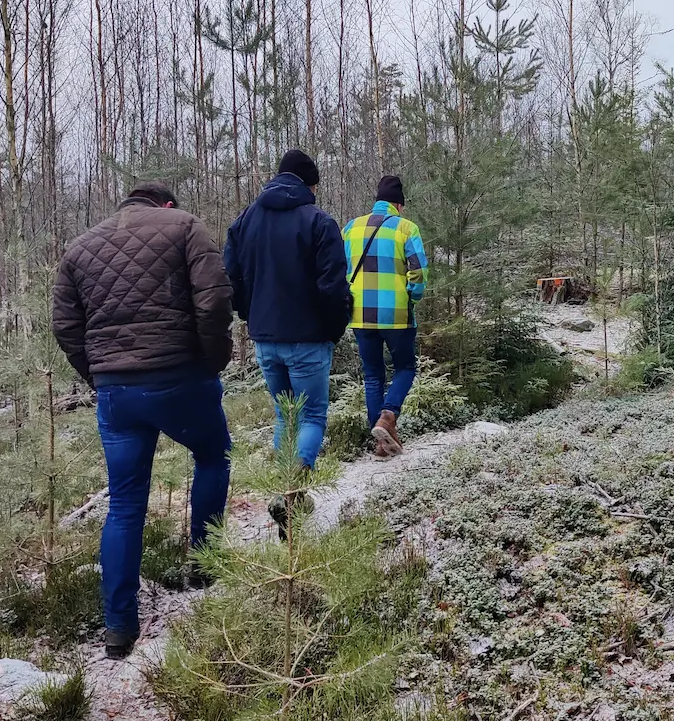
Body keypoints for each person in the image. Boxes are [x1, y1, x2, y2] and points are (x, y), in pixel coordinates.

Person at [52, 181, 233, 660]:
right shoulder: (186, 227)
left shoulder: (80, 247)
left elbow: (66, 326)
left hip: (117, 392)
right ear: (167, 204)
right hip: (180, 377)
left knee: (125, 504)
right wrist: (212, 361)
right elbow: (214, 300)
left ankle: (118, 627)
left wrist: (97, 374)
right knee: (214, 456)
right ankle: (204, 563)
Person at [224, 149, 350, 538]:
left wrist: (251, 316)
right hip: (308, 338)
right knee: (311, 417)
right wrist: (334, 328)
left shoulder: (244, 221)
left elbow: (232, 278)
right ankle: (292, 495)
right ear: (309, 183)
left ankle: (284, 493)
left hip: (265, 338)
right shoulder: (318, 222)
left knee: (285, 416)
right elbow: (332, 287)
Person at [342, 175, 427, 457]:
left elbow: (339, 268)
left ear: (377, 201)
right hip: (396, 314)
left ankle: (381, 444)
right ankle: (388, 416)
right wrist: (413, 296)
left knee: (372, 376)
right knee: (405, 367)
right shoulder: (406, 228)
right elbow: (419, 271)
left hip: (360, 315)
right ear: (399, 205)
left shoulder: (351, 228)